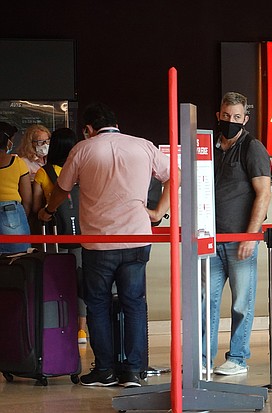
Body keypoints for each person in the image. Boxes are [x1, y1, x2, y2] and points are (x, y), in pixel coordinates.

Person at [39, 102, 171, 387]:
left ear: (88, 129)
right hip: (137, 238)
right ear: (116, 122)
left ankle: (105, 371)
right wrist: (158, 212)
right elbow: (175, 175)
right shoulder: (143, 146)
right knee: (134, 304)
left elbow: (62, 189)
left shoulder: (83, 149)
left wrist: (47, 211)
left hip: (99, 243)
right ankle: (134, 371)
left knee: (97, 305)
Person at [204, 91, 271, 376]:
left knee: (242, 302)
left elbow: (264, 193)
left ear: (245, 118)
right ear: (218, 115)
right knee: (207, 302)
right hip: (210, 239)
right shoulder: (207, 148)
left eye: (236, 117)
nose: (230, 121)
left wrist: (249, 235)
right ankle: (203, 358)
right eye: (226, 116)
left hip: (240, 240)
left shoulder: (252, 148)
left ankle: (238, 358)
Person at [32, 127, 88, 343]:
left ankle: (59, 325)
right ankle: (81, 330)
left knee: (57, 280)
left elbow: (37, 207)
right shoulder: (83, 170)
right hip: (84, 235)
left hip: (56, 236)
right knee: (81, 278)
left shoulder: (43, 173)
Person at [0, 121, 32, 253]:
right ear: (8, 142)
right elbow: (27, 199)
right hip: (11, 212)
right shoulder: (17, 162)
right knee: (19, 258)